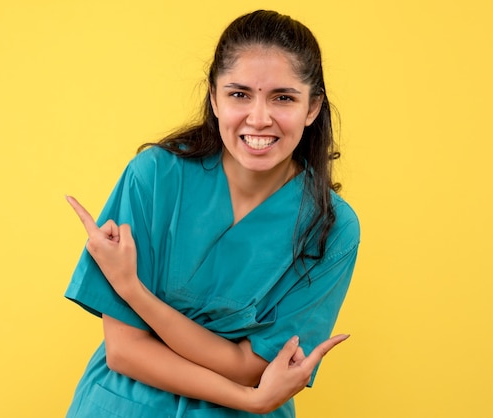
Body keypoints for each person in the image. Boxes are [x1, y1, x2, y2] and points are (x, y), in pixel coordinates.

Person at [64, 9, 360, 417]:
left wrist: (134, 291)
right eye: (239, 94)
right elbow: (124, 351)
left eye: (284, 98)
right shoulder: (154, 177)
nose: (259, 118)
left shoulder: (331, 228)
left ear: (312, 108)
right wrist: (249, 399)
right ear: (214, 98)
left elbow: (250, 367)